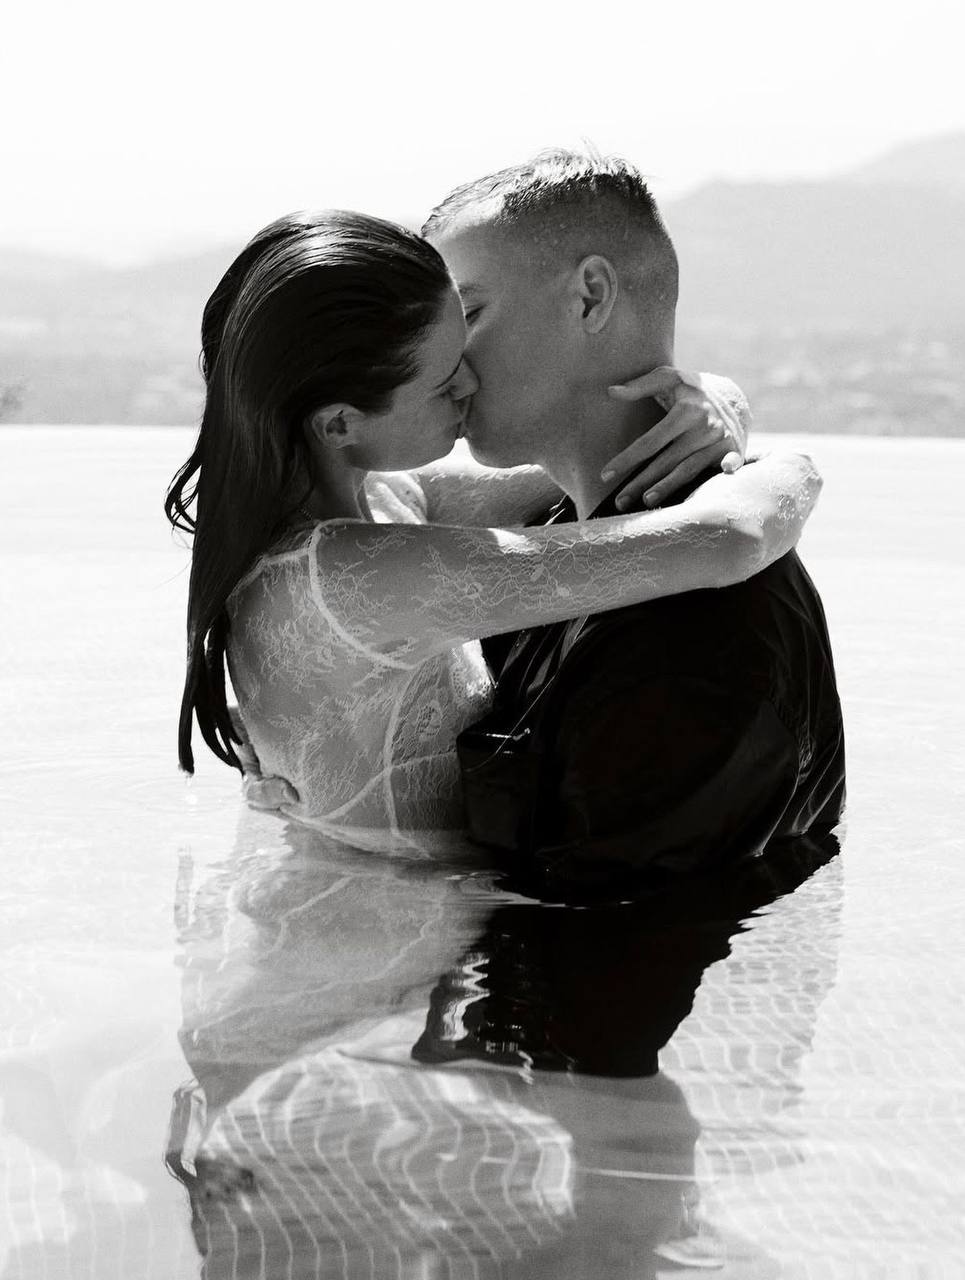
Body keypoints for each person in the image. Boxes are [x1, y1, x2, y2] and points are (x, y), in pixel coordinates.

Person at [165, 208, 821, 855]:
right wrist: (796, 467)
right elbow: (731, 538)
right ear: (338, 424)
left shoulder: (375, 502)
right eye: (442, 381)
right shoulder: (361, 576)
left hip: (361, 897)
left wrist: (714, 401)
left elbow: (596, 462)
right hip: (381, 921)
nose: (471, 381)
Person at [420, 149, 846, 887]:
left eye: (469, 315)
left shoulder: (691, 627)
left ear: (590, 297)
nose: (442, 367)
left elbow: (610, 942)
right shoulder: (567, 538)